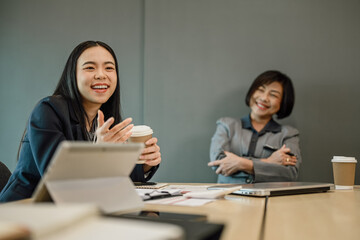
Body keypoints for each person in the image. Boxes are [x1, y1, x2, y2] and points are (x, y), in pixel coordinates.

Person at [0, 41, 161, 202]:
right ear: (73, 75)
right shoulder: (48, 110)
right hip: (23, 210)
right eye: (90, 67)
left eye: (109, 68)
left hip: (73, 210)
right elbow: (59, 181)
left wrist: (145, 163)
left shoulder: (104, 120)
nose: (101, 75)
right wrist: (99, 153)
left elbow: (112, 174)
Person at [208, 70, 301, 184]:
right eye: (261, 90)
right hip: (227, 198)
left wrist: (240, 163)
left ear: (283, 102)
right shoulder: (226, 125)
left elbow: (290, 173)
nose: (264, 98)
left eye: (273, 95)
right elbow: (218, 162)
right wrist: (268, 161)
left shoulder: (288, 134)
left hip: (269, 200)